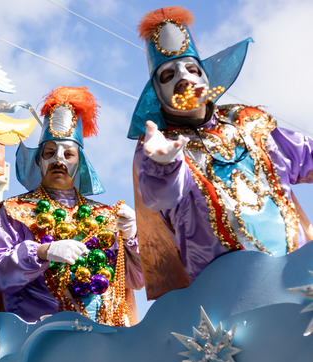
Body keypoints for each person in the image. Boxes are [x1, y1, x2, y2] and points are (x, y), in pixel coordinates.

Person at [130, 6, 313, 297]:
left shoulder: (249, 122)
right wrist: (164, 165)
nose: (184, 78)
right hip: (227, 299)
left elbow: (307, 157)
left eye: (192, 69)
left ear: (206, 78)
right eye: (168, 75)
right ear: (157, 94)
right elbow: (160, 197)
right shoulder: (158, 146)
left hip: (302, 276)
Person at [0, 86, 142, 326]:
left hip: (104, 338)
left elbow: (135, 279)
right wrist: (42, 252)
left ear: (80, 164)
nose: (58, 160)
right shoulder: (15, 210)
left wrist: (131, 237)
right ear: (39, 160)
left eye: (68, 155)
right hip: (37, 338)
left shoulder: (105, 216)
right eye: (50, 152)